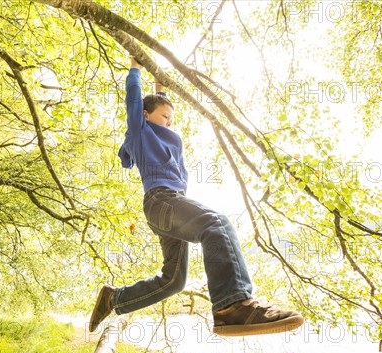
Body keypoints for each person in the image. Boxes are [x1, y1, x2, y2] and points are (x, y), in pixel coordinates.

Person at [89, 57, 304, 336]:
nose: (169, 122)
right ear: (145, 115)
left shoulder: (160, 132)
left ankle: (113, 299)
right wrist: (135, 70)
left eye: (171, 118)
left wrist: (160, 90)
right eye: (165, 116)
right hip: (162, 200)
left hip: (170, 208)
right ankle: (232, 305)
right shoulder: (140, 132)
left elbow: (156, 106)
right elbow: (135, 102)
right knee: (216, 224)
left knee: (173, 281)